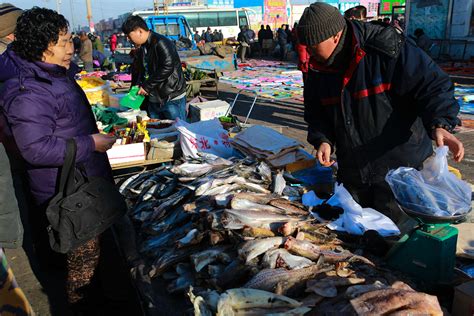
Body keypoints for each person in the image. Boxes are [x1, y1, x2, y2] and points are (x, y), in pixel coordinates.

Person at [297, 3, 464, 223]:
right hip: (355, 175)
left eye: (313, 45)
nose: (308, 52)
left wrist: (440, 123)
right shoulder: (318, 69)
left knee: (406, 238)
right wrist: (324, 139)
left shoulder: (387, 49)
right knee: (362, 241)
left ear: (335, 36)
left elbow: (433, 85)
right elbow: (316, 112)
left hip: (403, 174)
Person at [0, 7, 118, 312]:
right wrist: (90, 142)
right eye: (64, 42)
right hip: (67, 194)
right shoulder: (27, 90)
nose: (71, 48)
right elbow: (35, 149)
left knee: (93, 264)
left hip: (81, 182)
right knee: (82, 275)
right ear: (42, 45)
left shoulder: (51, 72)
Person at [123, 15, 187, 120]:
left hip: (171, 97)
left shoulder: (161, 42)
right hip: (154, 98)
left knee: (178, 130)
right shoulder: (141, 47)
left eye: (129, 35)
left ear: (139, 31)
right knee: (157, 131)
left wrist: (147, 86)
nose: (128, 39)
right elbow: (139, 71)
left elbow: (167, 67)